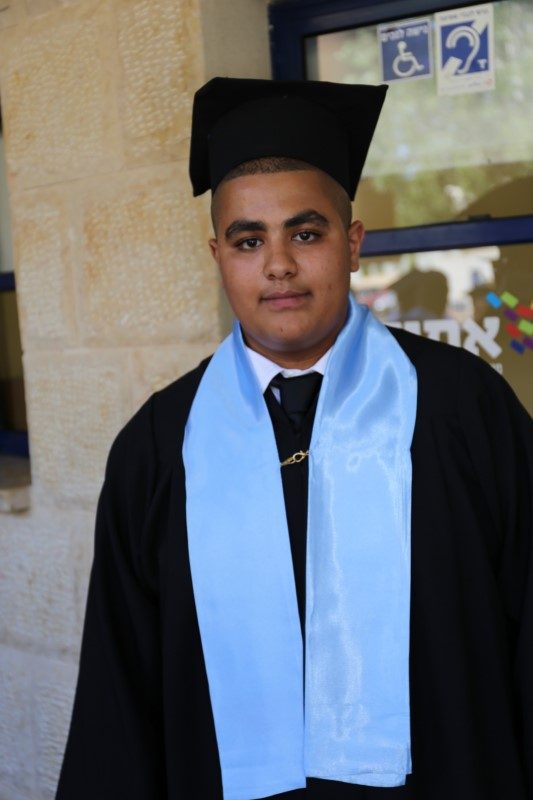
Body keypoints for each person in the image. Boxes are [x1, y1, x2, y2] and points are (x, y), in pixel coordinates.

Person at [56, 78, 533, 800]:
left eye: (305, 234)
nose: (278, 264)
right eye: (249, 241)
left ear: (353, 243)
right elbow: (120, 690)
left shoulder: (463, 409)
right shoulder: (158, 448)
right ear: (217, 256)